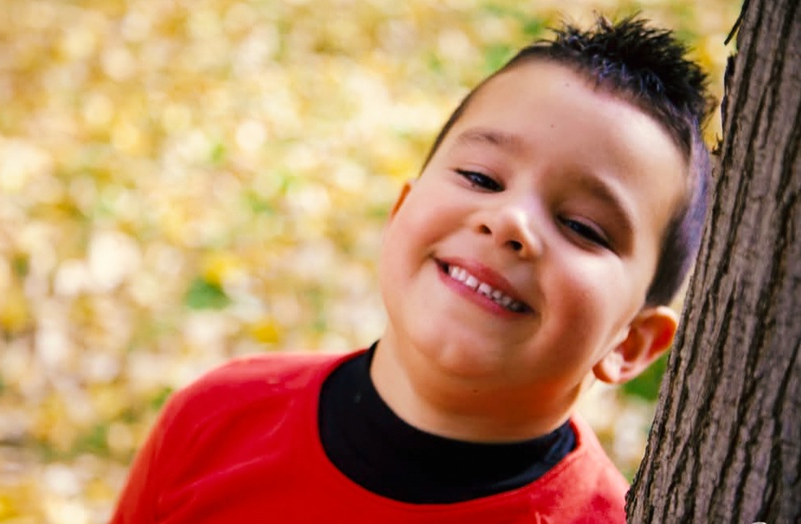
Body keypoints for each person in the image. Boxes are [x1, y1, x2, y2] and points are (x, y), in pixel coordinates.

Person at [111, 14, 712, 523]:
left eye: (582, 226)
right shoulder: (213, 420)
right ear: (401, 210)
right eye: (481, 177)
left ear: (631, 343)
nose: (509, 222)